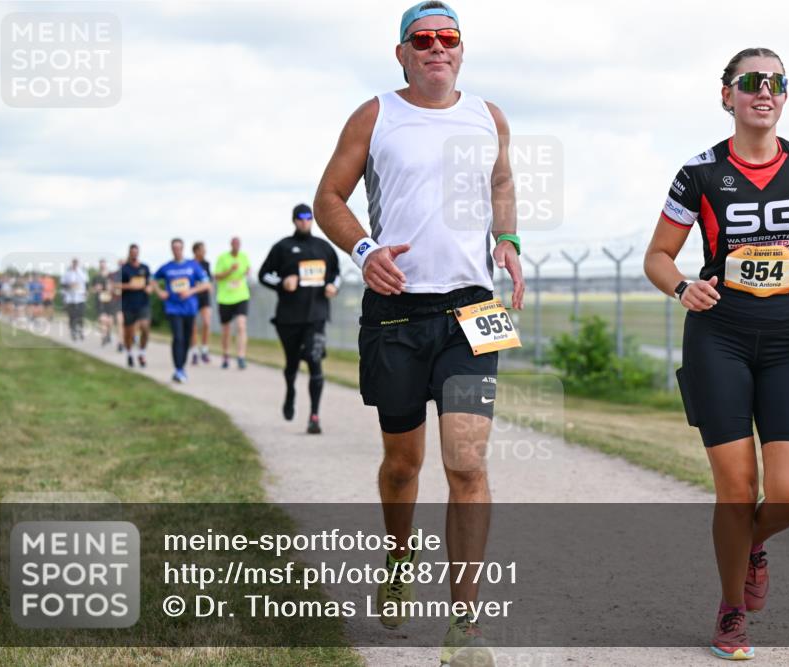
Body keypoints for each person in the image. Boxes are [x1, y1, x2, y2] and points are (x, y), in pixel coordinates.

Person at [313, 3, 524, 664]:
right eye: (423, 39)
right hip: (397, 309)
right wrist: (363, 249)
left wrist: (510, 238)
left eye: (449, 38)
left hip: (473, 309)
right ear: (402, 52)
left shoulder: (489, 116)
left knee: (467, 462)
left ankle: (466, 622)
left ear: (462, 50)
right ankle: (398, 556)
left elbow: (503, 181)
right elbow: (328, 199)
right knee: (404, 467)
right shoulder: (375, 115)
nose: (437, 48)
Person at [642, 47, 789, 661]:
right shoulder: (700, 172)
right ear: (727, 94)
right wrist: (682, 286)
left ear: (786, 94)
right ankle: (731, 610)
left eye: (777, 82)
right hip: (719, 338)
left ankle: (750, 548)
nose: (765, 91)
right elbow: (657, 255)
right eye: (751, 82)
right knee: (736, 491)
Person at [259, 204, 339, 432]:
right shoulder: (283, 247)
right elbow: (263, 274)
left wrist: (333, 286)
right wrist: (283, 283)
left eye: (308, 218)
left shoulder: (323, 248)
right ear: (294, 220)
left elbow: (336, 275)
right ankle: (290, 390)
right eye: (300, 218)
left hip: (317, 316)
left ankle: (314, 417)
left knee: (315, 361)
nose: (305, 221)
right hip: (289, 318)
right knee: (292, 363)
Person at [153, 238, 210, 383]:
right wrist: (160, 292)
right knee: (177, 337)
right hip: (173, 307)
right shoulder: (167, 267)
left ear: (183, 249)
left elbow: (206, 284)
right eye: (174, 248)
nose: (176, 250)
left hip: (189, 308)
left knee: (185, 339)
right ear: (171, 249)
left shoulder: (192, 266)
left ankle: (181, 367)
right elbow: (152, 279)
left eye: (179, 247)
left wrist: (191, 291)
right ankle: (178, 369)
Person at [213, 236, 252, 370]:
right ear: (231, 245)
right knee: (226, 330)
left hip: (241, 295)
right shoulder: (222, 258)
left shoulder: (244, 256)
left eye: (238, 244)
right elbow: (216, 276)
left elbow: (247, 270)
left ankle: (241, 356)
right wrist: (230, 270)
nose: (236, 246)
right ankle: (226, 355)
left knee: (241, 326)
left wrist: (247, 272)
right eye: (234, 243)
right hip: (225, 298)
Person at [119, 244, 153, 368]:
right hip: (128, 304)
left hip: (143, 303)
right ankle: (129, 353)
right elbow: (116, 285)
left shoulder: (145, 268)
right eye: (132, 252)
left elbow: (150, 283)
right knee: (129, 333)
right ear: (129, 253)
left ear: (138, 253)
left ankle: (142, 353)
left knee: (145, 327)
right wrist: (130, 286)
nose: (134, 254)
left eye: (136, 252)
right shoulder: (124, 269)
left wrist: (149, 288)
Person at [189, 241, 213, 365]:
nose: (205, 252)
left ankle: (204, 349)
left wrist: (208, 286)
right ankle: (193, 351)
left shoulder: (206, 264)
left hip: (204, 297)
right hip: (192, 297)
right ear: (196, 251)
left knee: (207, 322)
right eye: (202, 250)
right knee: (193, 326)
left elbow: (209, 281)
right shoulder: (189, 265)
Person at [61, 258, 88, 341]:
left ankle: (80, 330)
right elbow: (62, 285)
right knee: (72, 316)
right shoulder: (67, 273)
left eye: (76, 264)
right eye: (74, 263)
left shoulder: (82, 273)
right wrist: (70, 286)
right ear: (72, 264)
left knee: (80, 315)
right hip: (70, 298)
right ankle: (73, 331)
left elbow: (86, 283)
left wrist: (86, 292)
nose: (75, 265)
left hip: (80, 298)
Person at [91, 259, 115, 346]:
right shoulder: (96, 277)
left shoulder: (111, 276)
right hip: (100, 301)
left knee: (110, 321)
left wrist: (110, 288)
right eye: (101, 265)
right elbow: (92, 290)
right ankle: (104, 337)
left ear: (106, 265)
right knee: (102, 319)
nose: (102, 266)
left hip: (110, 300)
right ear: (99, 266)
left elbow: (115, 288)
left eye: (103, 264)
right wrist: (96, 289)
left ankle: (108, 333)